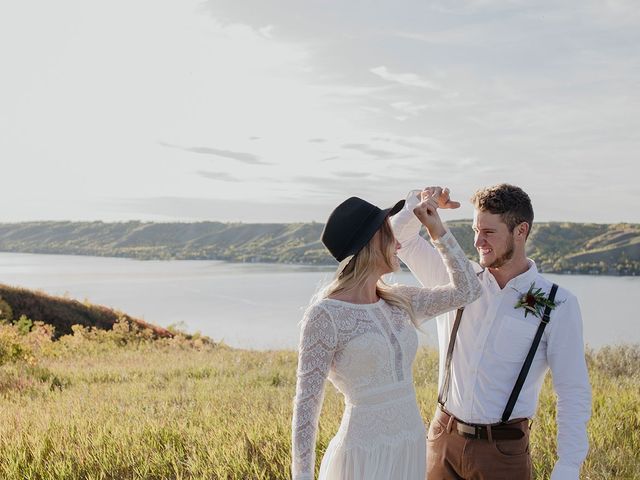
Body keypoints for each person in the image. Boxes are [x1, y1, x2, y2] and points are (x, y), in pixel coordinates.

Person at [391, 184, 592, 480]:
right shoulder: (457, 277)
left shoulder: (557, 304)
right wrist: (419, 202)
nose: (477, 241)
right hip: (441, 439)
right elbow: (401, 240)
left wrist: (567, 467)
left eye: (489, 232)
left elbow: (573, 391)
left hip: (503, 453)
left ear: (521, 231)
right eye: (475, 230)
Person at [291, 193, 482, 480]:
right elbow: (306, 407)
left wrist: (437, 231)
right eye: (391, 235)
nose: (399, 243)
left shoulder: (399, 300)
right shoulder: (325, 316)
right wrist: (302, 476)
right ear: (371, 244)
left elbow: (469, 290)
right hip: (362, 455)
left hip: (410, 446)